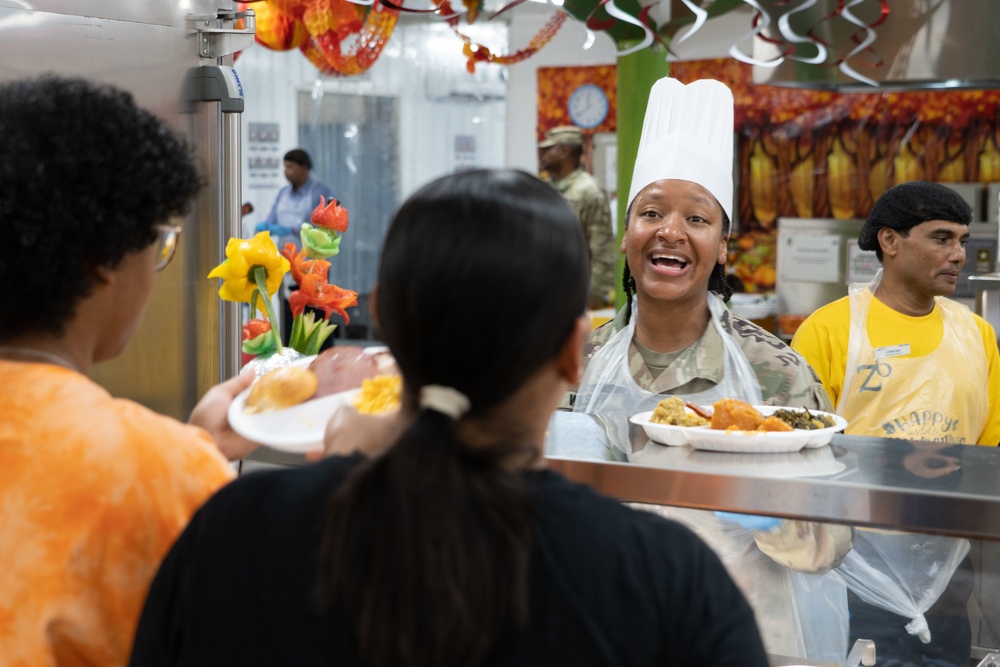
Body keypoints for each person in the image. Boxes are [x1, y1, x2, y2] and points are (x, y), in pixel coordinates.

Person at [128, 169, 769, 667]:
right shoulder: (667, 579)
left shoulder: (238, 532)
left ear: (384, 317)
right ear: (575, 353)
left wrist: (203, 452)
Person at [571, 77, 852, 664]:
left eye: (696, 219)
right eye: (651, 212)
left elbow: (835, 538)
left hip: (742, 639)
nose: (670, 231)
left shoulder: (773, 371)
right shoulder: (580, 362)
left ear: (723, 246)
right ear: (626, 237)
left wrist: (766, 514)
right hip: (609, 634)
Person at [0, 75, 256, 666]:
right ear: (101, 261)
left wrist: (194, 446)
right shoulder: (158, 470)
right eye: (159, 242)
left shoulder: (165, 460)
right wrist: (187, 458)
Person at [792, 180, 1000, 666]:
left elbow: (988, 456)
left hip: (950, 570)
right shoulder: (829, 330)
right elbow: (799, 458)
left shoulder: (977, 335)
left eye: (963, 242)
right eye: (941, 238)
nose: (958, 256)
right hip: (855, 568)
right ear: (890, 241)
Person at [256, 149, 336, 342]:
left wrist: (293, 229)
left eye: (291, 167)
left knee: (314, 319)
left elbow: (327, 227)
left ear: (304, 168)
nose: (286, 171)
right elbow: (271, 219)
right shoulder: (283, 193)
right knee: (290, 315)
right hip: (287, 264)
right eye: (285, 166)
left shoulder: (320, 192)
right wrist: (266, 228)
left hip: (312, 265)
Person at [538, 125, 618, 309]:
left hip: (575, 292)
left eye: (547, 150)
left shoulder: (588, 191)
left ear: (564, 151)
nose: (543, 155)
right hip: (547, 288)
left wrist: (594, 297)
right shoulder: (546, 188)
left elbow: (602, 250)